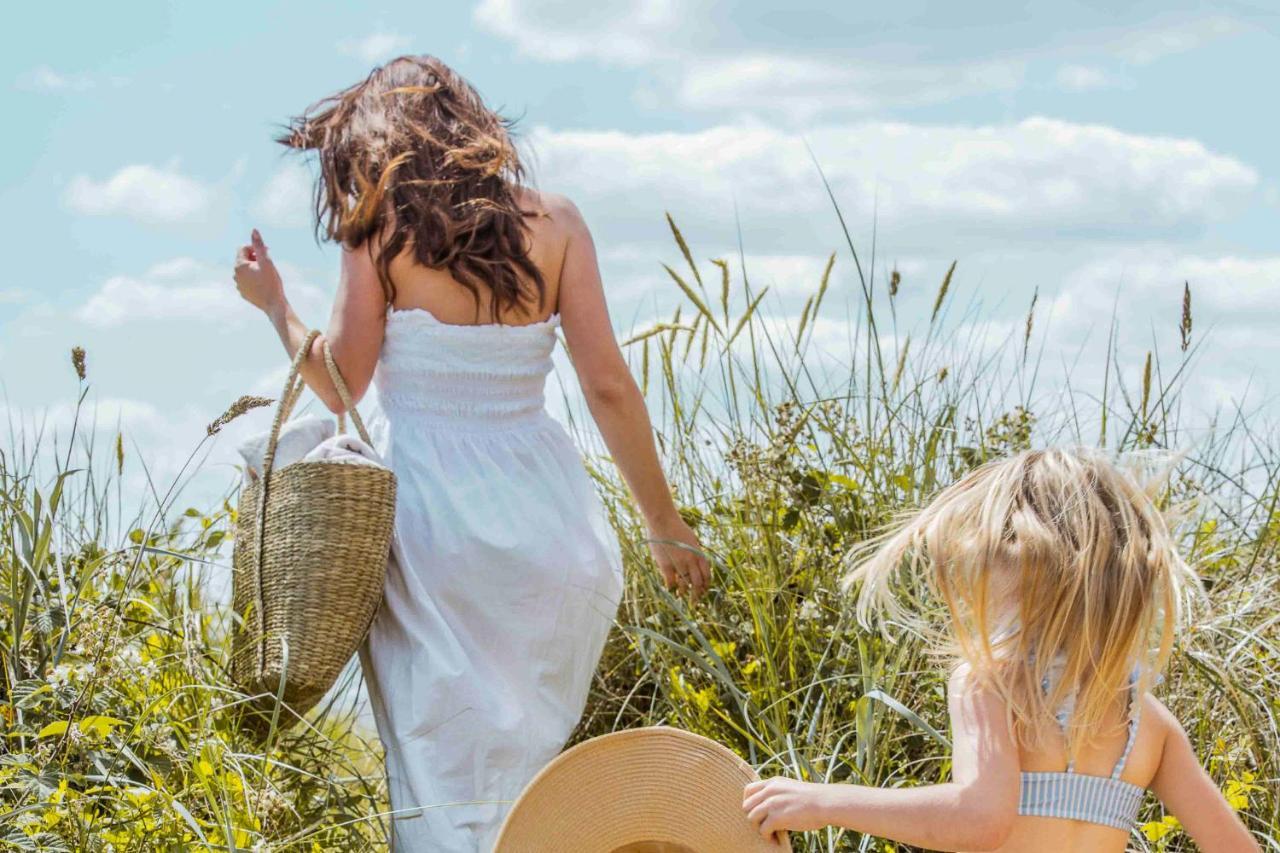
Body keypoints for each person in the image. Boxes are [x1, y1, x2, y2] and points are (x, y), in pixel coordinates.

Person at [231, 55, 711, 851]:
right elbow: (610, 388)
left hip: (430, 524)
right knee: (535, 780)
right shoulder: (557, 223)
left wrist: (276, 306)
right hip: (552, 524)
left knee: (437, 774)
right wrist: (662, 520)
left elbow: (343, 381)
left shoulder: (379, 231)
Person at [742, 447, 1259, 852]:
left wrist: (824, 800)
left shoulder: (991, 684)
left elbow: (979, 819)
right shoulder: (1148, 721)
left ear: (1013, 573)